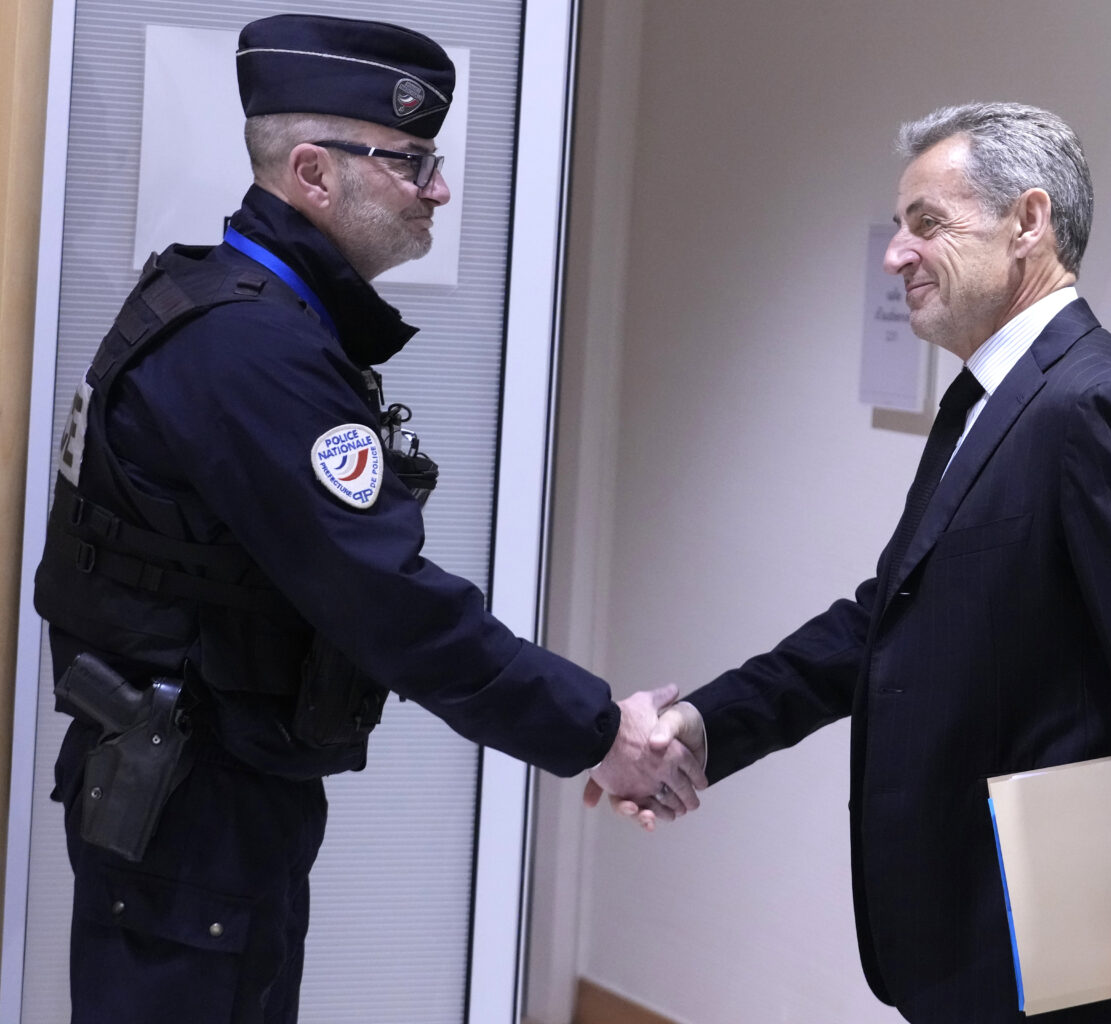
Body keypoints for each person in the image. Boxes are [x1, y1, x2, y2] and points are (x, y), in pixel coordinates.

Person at [33, 14, 703, 1024]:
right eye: (412, 161)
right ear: (312, 171)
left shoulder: (226, 307)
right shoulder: (253, 351)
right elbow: (392, 605)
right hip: (193, 820)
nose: (437, 190)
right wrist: (601, 730)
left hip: (195, 802)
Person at [589, 103, 1111, 1023]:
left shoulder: (1093, 405)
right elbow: (888, 616)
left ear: (1028, 223)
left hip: (1056, 943)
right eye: (900, 226)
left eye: (927, 224)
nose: (895, 254)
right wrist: (709, 727)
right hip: (975, 937)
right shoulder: (996, 396)